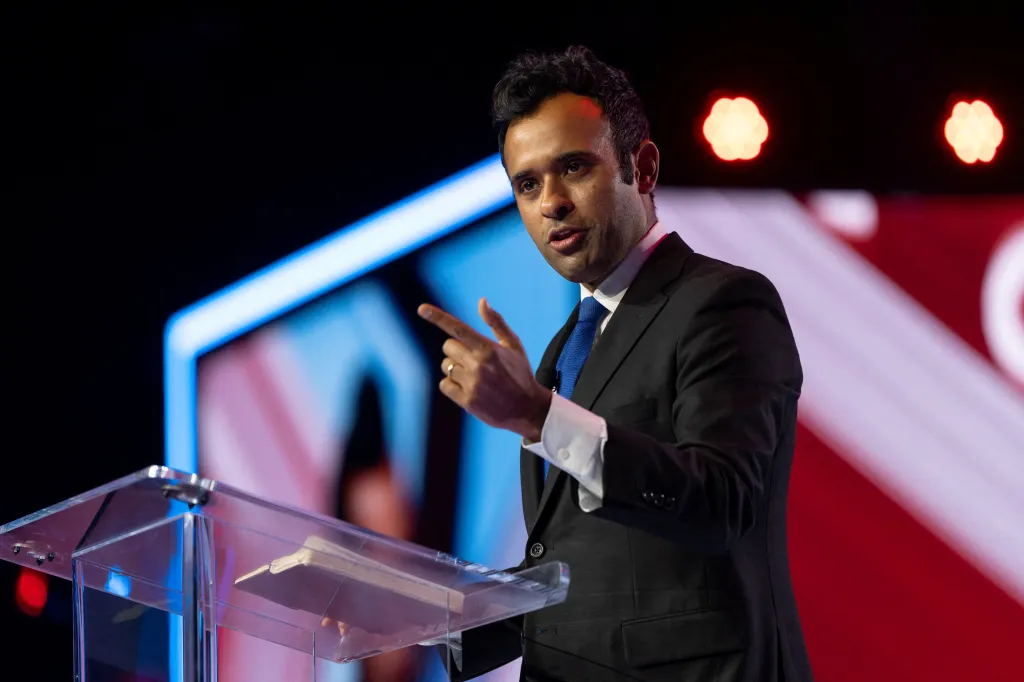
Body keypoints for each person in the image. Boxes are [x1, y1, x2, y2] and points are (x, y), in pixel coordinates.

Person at [416, 46, 813, 682]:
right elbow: (580, 565)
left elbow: (721, 502)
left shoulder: (723, 302)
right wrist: (420, 619)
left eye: (573, 168)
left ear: (643, 167)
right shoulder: (560, 353)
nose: (550, 203)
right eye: (527, 184)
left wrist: (537, 415)